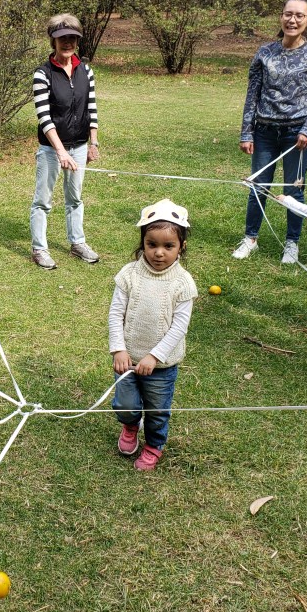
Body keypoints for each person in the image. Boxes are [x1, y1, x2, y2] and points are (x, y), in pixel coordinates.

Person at [234, 0, 307, 265]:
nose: (292, 20)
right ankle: (250, 238)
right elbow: (252, 94)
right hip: (264, 132)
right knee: (258, 187)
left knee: (294, 190)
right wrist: (247, 132)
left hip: (296, 135)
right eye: (288, 14)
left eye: (299, 15)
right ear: (281, 16)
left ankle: (292, 243)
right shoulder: (265, 52)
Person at [109, 198, 197, 472]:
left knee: (157, 410)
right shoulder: (129, 274)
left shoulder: (183, 283)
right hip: (127, 360)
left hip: (162, 366)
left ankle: (154, 445)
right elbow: (115, 314)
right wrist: (118, 349)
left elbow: (179, 327)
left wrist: (155, 356)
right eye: (152, 244)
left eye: (168, 246)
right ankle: (130, 425)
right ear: (143, 243)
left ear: (181, 246)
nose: (159, 253)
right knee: (125, 404)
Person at [29, 13, 101, 270]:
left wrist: (93, 143)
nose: (68, 43)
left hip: (79, 146)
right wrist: (60, 151)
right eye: (62, 38)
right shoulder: (43, 74)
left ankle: (77, 243)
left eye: (72, 37)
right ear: (53, 41)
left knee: (75, 198)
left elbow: (91, 108)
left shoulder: (86, 71)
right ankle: (39, 248)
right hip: (51, 149)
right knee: (43, 200)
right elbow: (44, 118)